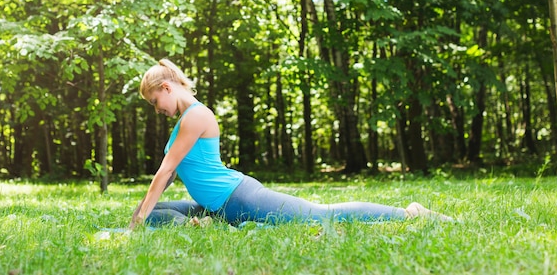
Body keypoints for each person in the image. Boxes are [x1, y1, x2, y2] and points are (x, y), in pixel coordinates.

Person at [130, 59, 453, 228]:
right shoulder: (184, 121)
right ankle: (202, 222)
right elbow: (171, 175)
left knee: (322, 214)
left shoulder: (195, 116)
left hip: (239, 196)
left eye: (154, 101)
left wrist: (139, 223)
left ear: (168, 88)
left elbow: (165, 171)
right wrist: (142, 214)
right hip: (218, 203)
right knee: (144, 210)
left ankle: (409, 213)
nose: (156, 109)